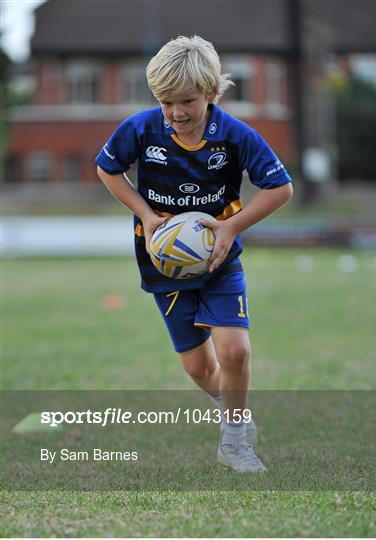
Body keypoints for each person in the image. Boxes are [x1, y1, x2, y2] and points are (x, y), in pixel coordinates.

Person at [96, 35, 293, 473]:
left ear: (211, 92)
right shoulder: (141, 129)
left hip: (221, 262)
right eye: (165, 102)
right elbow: (107, 169)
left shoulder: (237, 136)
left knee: (235, 352)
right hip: (163, 267)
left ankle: (235, 441)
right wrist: (146, 216)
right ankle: (233, 412)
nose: (176, 112)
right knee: (201, 368)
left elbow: (280, 188)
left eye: (186, 100)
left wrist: (231, 227)